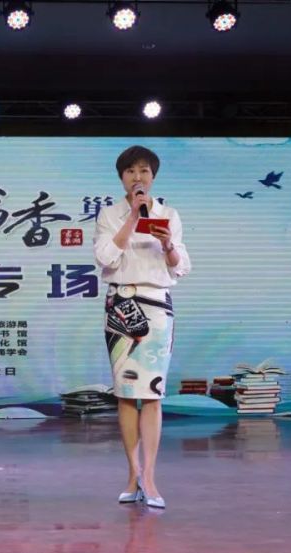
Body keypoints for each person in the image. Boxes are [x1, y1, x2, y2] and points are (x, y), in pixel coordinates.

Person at [93, 145, 191, 509]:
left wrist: (168, 245)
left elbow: (180, 266)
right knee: (125, 393)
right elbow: (105, 257)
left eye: (145, 171)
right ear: (122, 177)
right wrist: (133, 218)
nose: (138, 177)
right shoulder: (109, 215)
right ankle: (132, 474)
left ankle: (149, 476)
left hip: (157, 306)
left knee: (151, 394)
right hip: (121, 306)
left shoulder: (168, 214)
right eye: (131, 171)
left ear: (153, 177)